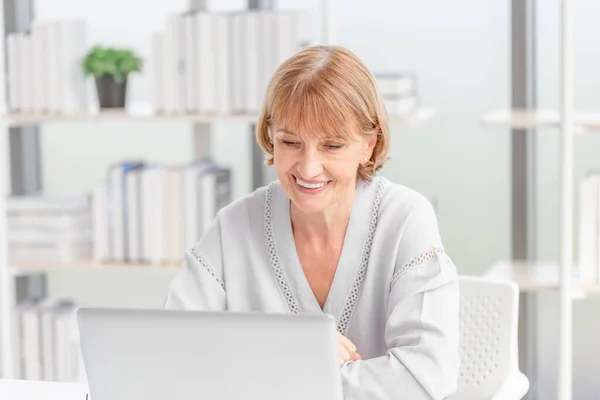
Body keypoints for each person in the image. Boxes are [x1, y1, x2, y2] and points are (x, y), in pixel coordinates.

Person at [165, 45, 460, 399]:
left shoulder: (405, 220)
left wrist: (283, 374)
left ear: (369, 144)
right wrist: (286, 349)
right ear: (270, 134)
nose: (307, 168)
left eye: (332, 146)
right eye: (290, 141)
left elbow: (426, 377)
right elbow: (176, 352)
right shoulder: (235, 226)